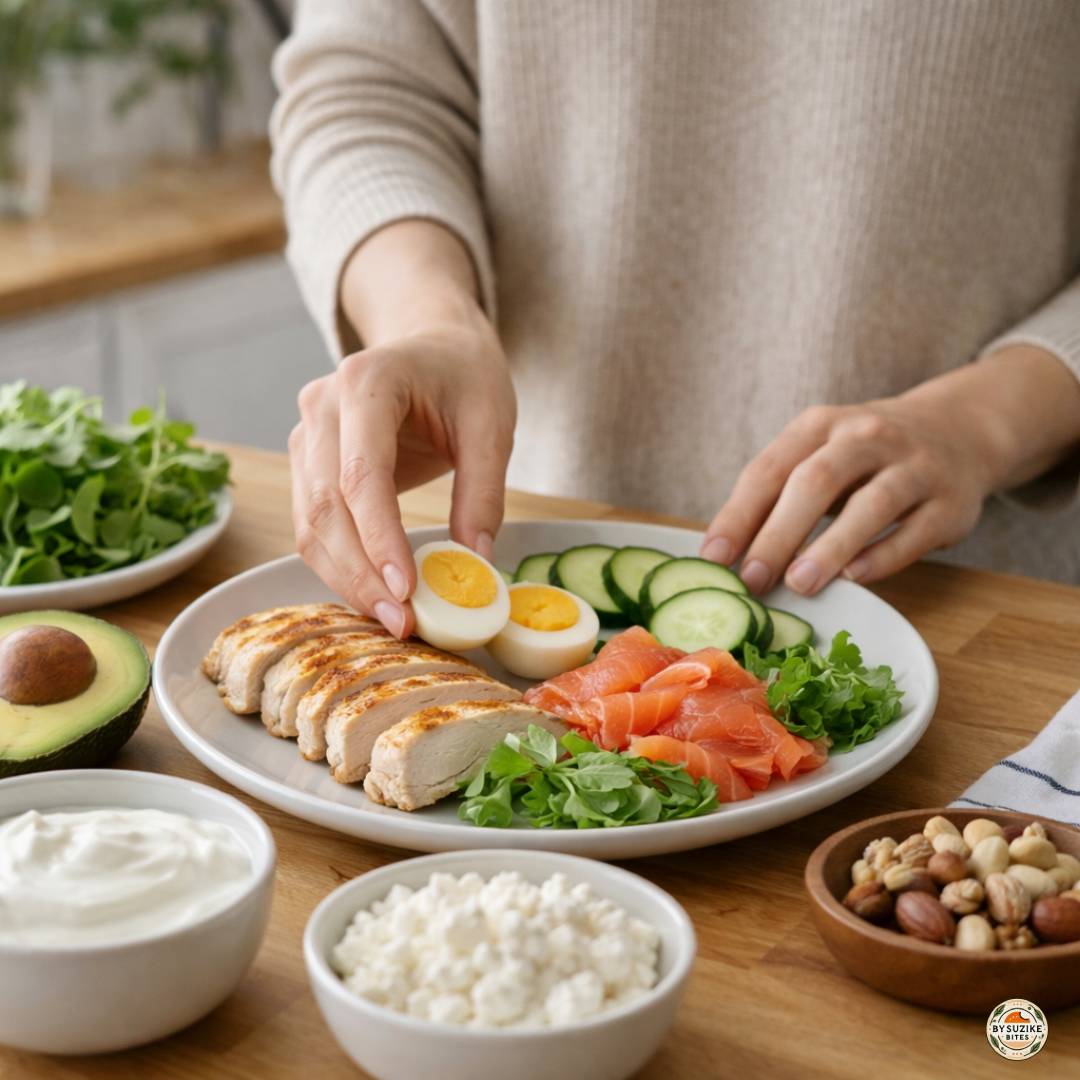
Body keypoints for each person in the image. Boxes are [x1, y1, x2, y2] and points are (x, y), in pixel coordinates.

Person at [271, 1, 1080, 639]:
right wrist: (431, 316)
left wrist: (986, 422)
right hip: (538, 530)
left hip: (975, 597)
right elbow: (365, 90)